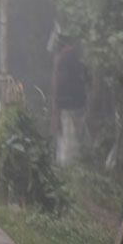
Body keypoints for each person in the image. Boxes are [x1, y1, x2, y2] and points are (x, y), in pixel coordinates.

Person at [52, 34, 87, 165]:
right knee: (77, 135)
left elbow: (59, 83)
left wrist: (56, 105)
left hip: (66, 104)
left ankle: (68, 167)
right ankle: (76, 164)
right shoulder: (78, 57)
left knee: (67, 138)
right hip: (80, 102)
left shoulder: (61, 59)